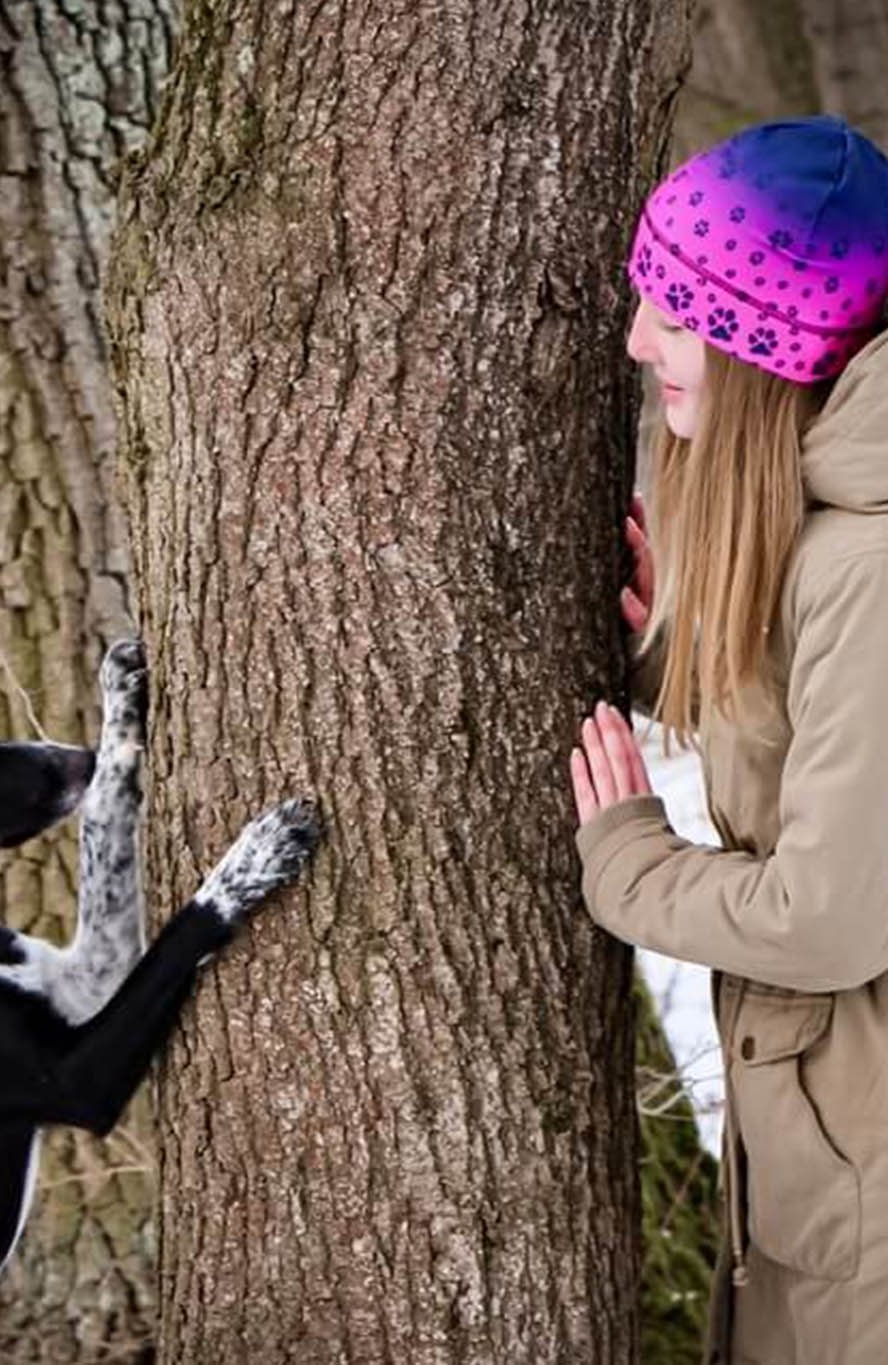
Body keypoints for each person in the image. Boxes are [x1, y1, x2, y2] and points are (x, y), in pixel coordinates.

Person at [568, 115, 888, 1364]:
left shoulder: (868, 562)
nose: (639, 339)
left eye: (674, 309)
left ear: (772, 344)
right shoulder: (833, 515)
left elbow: (828, 916)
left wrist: (627, 861)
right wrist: (672, 662)